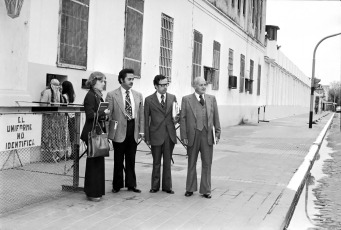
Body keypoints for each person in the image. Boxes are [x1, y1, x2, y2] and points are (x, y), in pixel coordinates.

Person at [180, 77, 221, 199]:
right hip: (193, 135)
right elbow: (183, 118)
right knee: (191, 162)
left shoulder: (211, 99)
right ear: (194, 86)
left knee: (207, 163)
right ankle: (190, 188)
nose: (204, 87)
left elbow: (216, 118)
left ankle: (206, 190)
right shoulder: (186, 99)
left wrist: (217, 133)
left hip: (207, 135)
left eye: (205, 85)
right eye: (201, 85)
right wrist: (184, 136)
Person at [106, 68, 144, 193]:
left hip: (133, 129)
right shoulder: (112, 95)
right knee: (118, 159)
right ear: (122, 80)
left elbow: (141, 115)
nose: (132, 81)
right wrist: (108, 134)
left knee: (131, 158)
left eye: (133, 79)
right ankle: (117, 185)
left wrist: (141, 131)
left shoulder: (138, 95)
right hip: (118, 130)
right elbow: (109, 115)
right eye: (129, 79)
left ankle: (131, 184)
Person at [144, 75, 179, 194]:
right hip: (155, 135)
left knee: (167, 162)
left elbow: (176, 115)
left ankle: (167, 186)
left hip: (169, 135)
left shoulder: (172, 97)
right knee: (156, 162)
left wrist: (177, 118)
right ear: (155, 86)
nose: (165, 87)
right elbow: (146, 119)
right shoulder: (149, 100)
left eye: (166, 84)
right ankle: (154, 186)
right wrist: (147, 137)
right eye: (162, 85)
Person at [80, 72, 110, 202]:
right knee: (94, 163)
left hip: (97, 131)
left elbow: (98, 114)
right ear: (95, 81)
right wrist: (103, 113)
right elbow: (90, 115)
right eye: (102, 81)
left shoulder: (98, 95)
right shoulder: (90, 96)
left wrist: (105, 114)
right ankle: (92, 192)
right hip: (91, 133)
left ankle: (96, 190)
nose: (104, 83)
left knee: (98, 162)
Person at [40, 79, 68, 162]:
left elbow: (43, 104)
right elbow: (43, 104)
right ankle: (54, 155)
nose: (57, 86)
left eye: (57, 85)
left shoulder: (53, 93)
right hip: (53, 119)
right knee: (53, 136)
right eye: (56, 85)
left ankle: (55, 155)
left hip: (53, 119)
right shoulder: (52, 92)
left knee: (53, 136)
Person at [62, 80, 76, 160]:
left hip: (67, 117)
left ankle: (66, 154)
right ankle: (73, 153)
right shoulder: (72, 96)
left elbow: (64, 108)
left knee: (66, 135)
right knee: (72, 136)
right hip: (73, 116)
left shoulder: (64, 96)